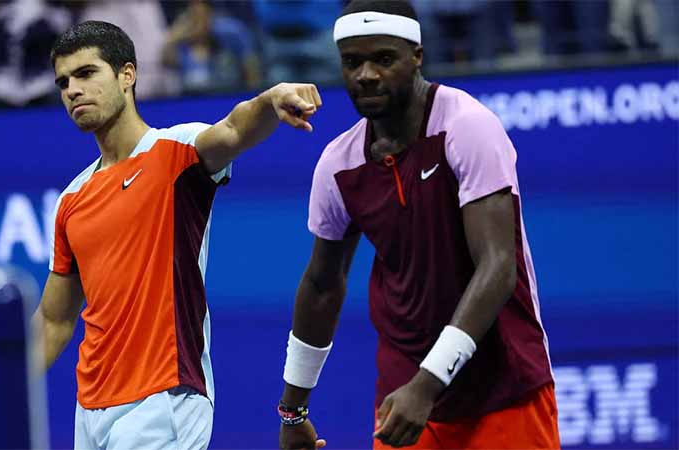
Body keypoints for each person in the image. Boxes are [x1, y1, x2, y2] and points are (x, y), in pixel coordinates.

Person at [276, 1, 559, 449]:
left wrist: (428, 383)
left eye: (383, 59)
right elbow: (322, 286)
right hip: (403, 401)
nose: (366, 74)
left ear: (417, 56)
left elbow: (497, 266)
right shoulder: (338, 164)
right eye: (352, 62)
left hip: (504, 391)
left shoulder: (467, 127)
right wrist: (293, 412)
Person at [33, 20, 321, 450]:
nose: (73, 89)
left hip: (164, 396)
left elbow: (235, 129)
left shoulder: (177, 151)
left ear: (126, 74)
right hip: (89, 409)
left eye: (87, 73)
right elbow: (55, 320)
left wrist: (270, 99)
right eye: (64, 81)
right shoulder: (72, 198)